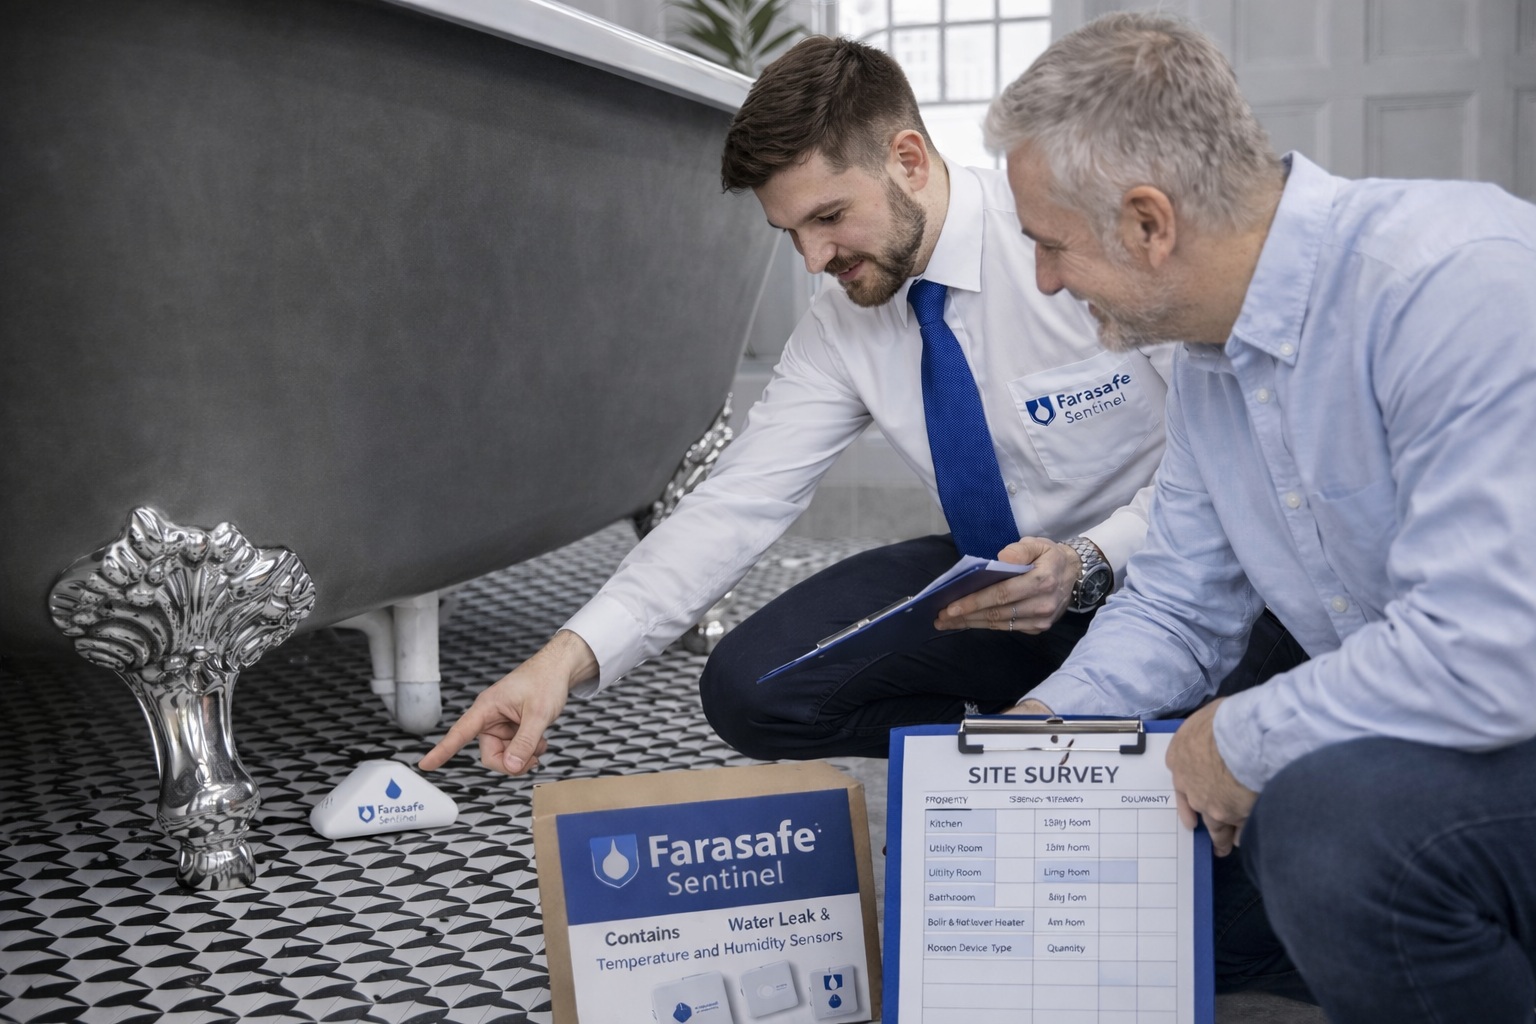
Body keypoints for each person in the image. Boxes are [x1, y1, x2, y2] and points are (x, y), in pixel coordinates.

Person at [418, 35, 1205, 777]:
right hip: (991, 582)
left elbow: (1217, 466)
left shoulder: (1062, 247)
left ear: (908, 160)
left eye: (828, 217)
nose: (814, 259)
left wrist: (1095, 559)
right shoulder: (842, 321)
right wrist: (556, 663)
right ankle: (1003, 748)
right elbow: (736, 503)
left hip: (1158, 575)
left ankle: (1100, 724)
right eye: (789, 230)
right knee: (749, 687)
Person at [988, 12, 1536, 1020]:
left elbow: (1486, 654)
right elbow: (1179, 610)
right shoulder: (1208, 366)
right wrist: (1038, 735)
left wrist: (1236, 738)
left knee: (1325, 840)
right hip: (1451, 734)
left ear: (1149, 222)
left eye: (1051, 246)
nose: (1047, 282)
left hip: (1509, 707)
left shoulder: (1451, 282)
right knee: (1203, 914)